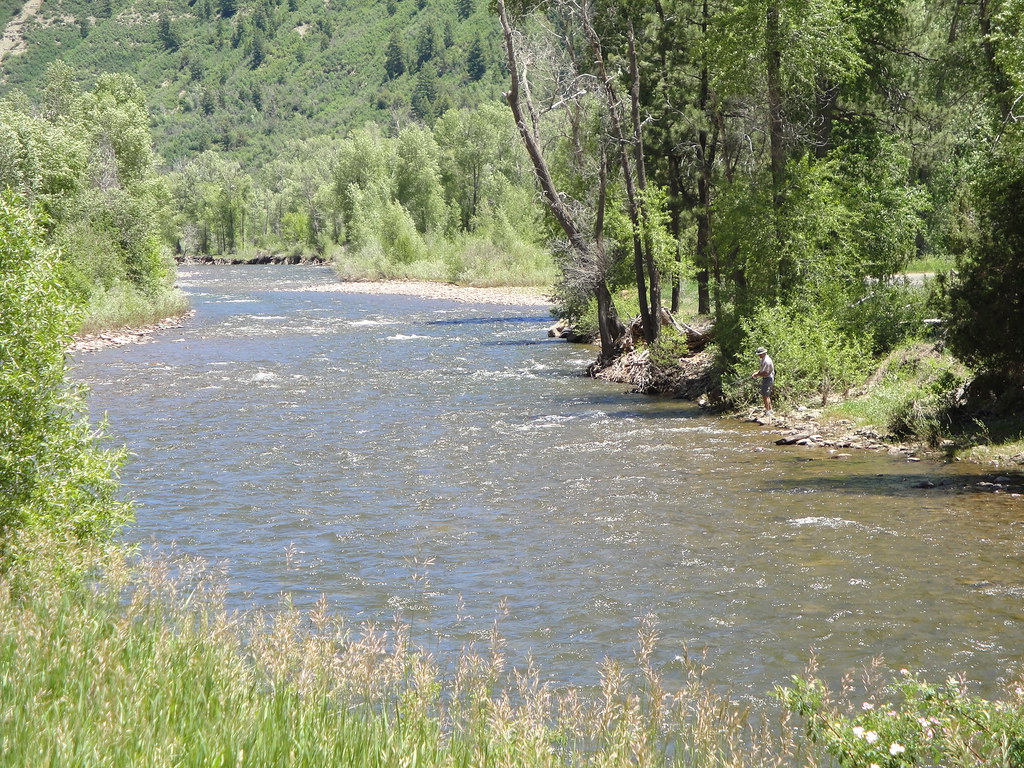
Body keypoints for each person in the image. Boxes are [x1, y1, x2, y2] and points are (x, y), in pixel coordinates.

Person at [752, 346, 774, 412]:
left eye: (759, 354)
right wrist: (757, 373)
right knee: (766, 395)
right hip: (767, 378)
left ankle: (767, 411)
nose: (759, 355)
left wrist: (757, 374)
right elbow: (762, 370)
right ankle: (770, 410)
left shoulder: (767, 361)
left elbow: (766, 373)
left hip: (768, 378)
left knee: (765, 395)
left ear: (763, 353)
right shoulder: (763, 359)